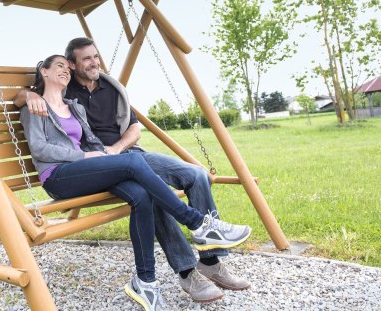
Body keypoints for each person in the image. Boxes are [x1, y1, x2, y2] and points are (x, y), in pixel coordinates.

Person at [15, 38, 252, 303]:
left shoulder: (108, 90)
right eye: (85, 59)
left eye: (96, 57)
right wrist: (28, 94)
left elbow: (134, 128)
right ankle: (190, 255)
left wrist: (115, 149)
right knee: (142, 181)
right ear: (70, 65)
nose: (94, 63)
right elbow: (30, 102)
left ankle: (205, 262)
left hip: (119, 154)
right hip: (91, 164)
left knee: (195, 175)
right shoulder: (64, 88)